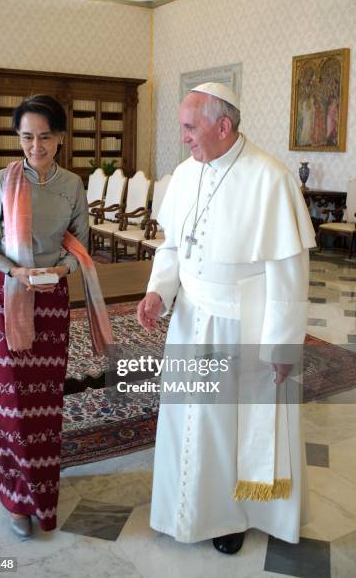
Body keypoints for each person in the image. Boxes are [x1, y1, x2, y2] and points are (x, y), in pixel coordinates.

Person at [137, 83, 316, 554]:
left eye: (190, 127)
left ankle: (231, 516)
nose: (184, 138)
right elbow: (173, 245)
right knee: (187, 422)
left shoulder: (270, 178)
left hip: (243, 325)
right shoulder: (183, 174)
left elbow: (289, 273)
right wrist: (159, 291)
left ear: (224, 125)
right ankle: (182, 506)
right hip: (190, 319)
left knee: (228, 428)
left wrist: (281, 346)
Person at [0, 95, 111, 537]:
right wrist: (16, 270)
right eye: (27, 137)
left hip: (50, 301)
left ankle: (41, 494)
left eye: (45, 136)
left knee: (45, 402)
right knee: (10, 402)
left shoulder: (72, 184)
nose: (36, 146)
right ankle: (14, 498)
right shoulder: (1, 181)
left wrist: (58, 271)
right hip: (6, 298)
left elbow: (82, 245)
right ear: (19, 138)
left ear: (61, 138)